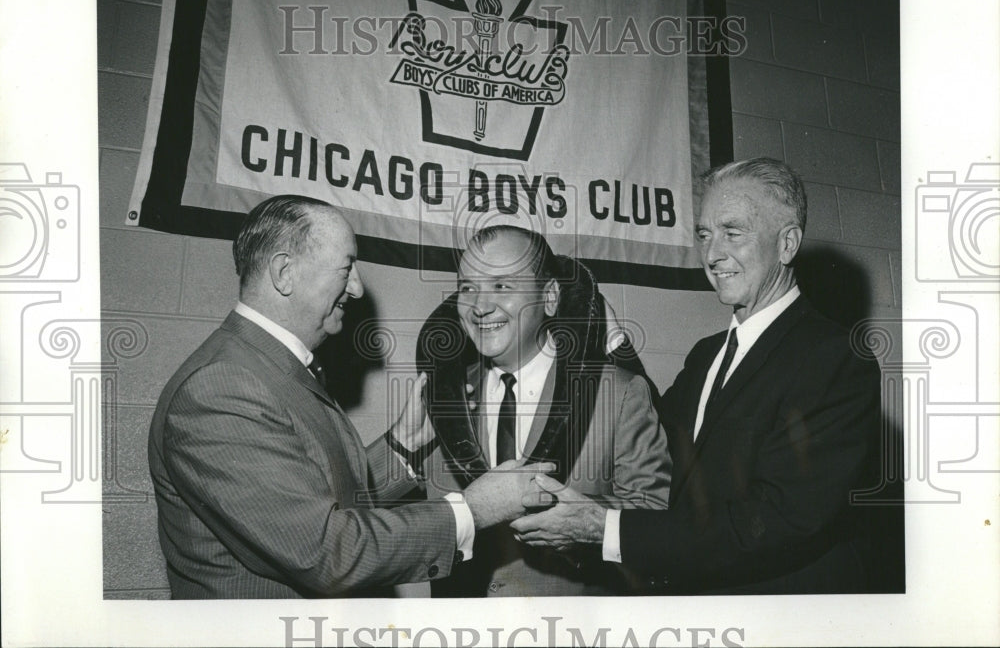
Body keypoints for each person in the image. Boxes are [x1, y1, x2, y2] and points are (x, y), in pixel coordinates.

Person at [511, 158, 882, 594]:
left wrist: (606, 530)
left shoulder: (834, 357)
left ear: (787, 244)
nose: (711, 254)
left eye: (733, 232)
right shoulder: (706, 354)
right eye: (705, 234)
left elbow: (777, 519)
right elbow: (657, 449)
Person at [148, 195, 549, 598]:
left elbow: (319, 500)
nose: (357, 288)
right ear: (284, 272)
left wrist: (401, 446)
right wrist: (473, 509)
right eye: (347, 267)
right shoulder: (223, 388)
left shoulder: (267, 368)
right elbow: (328, 551)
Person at [409, 225, 671, 596]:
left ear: (549, 297)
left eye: (502, 286)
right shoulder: (442, 398)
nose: (480, 306)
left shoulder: (619, 392)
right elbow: (368, 512)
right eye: (468, 287)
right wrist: (403, 447)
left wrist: (585, 530)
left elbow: (655, 525)